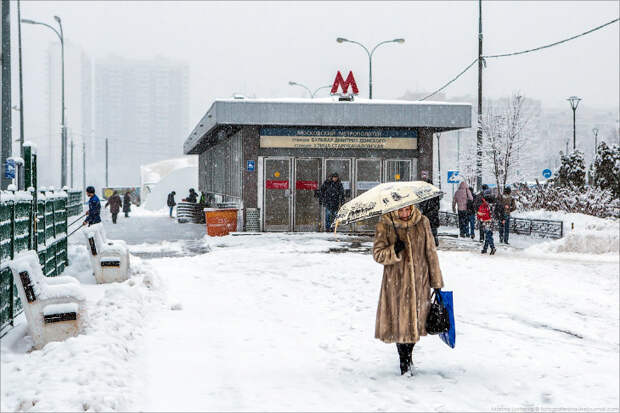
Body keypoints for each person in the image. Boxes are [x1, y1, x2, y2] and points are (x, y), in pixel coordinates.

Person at [373, 204, 444, 375]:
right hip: (396, 284)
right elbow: (377, 254)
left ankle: (409, 357)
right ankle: (404, 362)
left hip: (420, 282)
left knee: (416, 324)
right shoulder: (385, 224)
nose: (405, 213)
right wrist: (393, 250)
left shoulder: (422, 222)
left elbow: (431, 253)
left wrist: (437, 283)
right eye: (401, 210)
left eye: (408, 209)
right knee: (401, 326)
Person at [418, 179, 440, 247]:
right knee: (433, 229)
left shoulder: (423, 193)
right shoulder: (435, 193)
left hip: (426, 214)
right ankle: (434, 241)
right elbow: (438, 206)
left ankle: (427, 242)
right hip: (433, 215)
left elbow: (421, 205)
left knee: (425, 229)